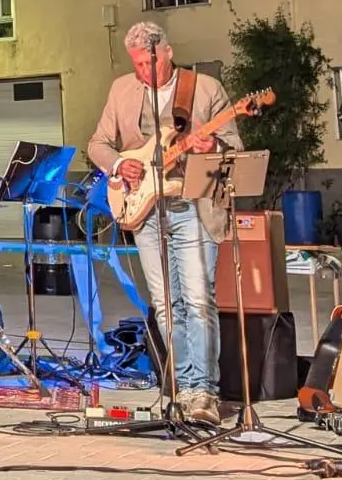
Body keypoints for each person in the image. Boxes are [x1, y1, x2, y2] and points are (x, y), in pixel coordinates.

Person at [87, 22, 241, 426]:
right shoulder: (121, 90)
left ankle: (205, 391)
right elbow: (97, 144)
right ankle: (184, 387)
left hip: (192, 205)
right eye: (137, 64)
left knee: (198, 300)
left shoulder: (204, 89)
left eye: (150, 63)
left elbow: (235, 146)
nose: (144, 72)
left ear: (167, 52)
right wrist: (120, 164)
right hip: (145, 210)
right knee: (165, 305)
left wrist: (214, 144)